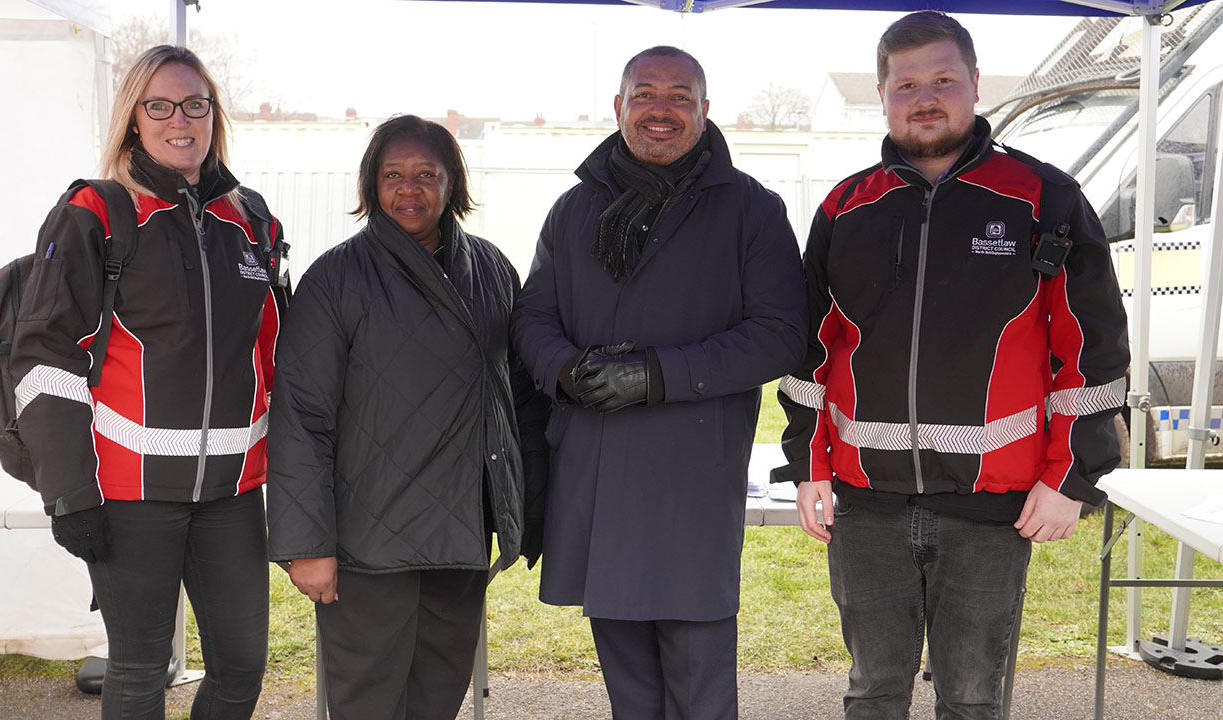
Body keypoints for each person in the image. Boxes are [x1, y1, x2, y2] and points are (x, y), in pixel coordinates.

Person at [775, 11, 1130, 719]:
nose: (925, 98)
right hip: (866, 502)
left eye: (943, 79)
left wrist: (1069, 478)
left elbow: (1091, 352)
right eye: (906, 84)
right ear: (882, 93)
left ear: (974, 82)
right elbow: (809, 350)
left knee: (970, 698)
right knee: (872, 693)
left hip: (992, 508)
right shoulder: (845, 208)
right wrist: (809, 463)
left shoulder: (1045, 197)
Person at [512, 47, 807, 718]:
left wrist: (657, 374)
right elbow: (532, 316)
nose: (661, 110)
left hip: (690, 476)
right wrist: (566, 369)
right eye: (645, 94)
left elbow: (781, 333)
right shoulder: (574, 209)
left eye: (680, 96)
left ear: (705, 111)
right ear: (619, 107)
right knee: (630, 688)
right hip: (596, 468)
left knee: (700, 686)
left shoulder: (751, 210)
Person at [11, 45, 287, 718]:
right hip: (129, 495)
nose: (179, 120)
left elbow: (277, 357)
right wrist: (70, 494)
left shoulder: (252, 221)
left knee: (242, 670)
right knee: (138, 672)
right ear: (133, 118)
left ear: (213, 113)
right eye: (159, 106)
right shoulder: (97, 212)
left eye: (194, 104)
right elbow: (44, 359)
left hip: (232, 496)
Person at [266, 114, 548, 720]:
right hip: (368, 546)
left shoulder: (492, 270)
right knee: (367, 705)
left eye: (427, 174)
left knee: (437, 701)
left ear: (453, 183)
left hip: (461, 535)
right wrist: (306, 545)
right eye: (393, 175)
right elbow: (301, 419)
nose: (409, 190)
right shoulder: (335, 278)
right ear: (372, 184)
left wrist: (528, 510)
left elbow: (519, 399)